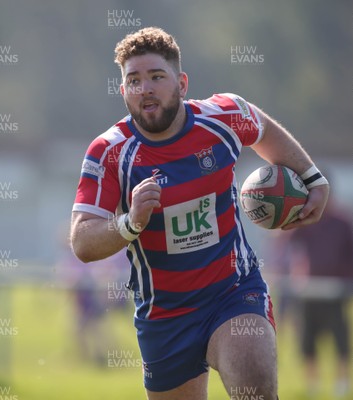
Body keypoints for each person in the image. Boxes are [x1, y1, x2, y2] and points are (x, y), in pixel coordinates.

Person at [70, 27, 329, 400]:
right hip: (164, 315)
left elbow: (263, 129)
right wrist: (130, 223)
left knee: (255, 386)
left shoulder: (222, 117)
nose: (145, 88)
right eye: (134, 80)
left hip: (233, 292)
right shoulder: (109, 152)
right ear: (124, 90)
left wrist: (312, 177)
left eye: (157, 77)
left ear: (182, 82)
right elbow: (83, 241)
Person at [284, 187, 353, 398]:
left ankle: (342, 385)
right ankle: (313, 387)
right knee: (307, 342)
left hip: (335, 293)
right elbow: (285, 241)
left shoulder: (342, 222)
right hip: (308, 292)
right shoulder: (304, 220)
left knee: (341, 342)